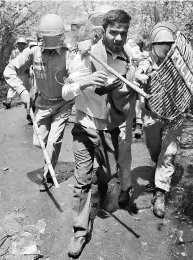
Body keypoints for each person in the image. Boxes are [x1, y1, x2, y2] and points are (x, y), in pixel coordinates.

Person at [62, 8, 148, 257]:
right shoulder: (85, 56)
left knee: (108, 173)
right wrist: (86, 82)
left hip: (109, 129)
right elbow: (66, 93)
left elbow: (136, 67)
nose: (119, 38)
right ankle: (79, 231)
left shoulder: (123, 60)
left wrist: (137, 74)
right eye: (114, 33)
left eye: (124, 33)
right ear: (103, 31)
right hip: (84, 127)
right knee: (81, 180)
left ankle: (102, 186)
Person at [4, 14, 74, 191]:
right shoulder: (32, 52)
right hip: (42, 104)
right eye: (46, 37)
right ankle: (48, 162)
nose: (49, 42)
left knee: (53, 142)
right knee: (39, 142)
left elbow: (80, 73)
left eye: (54, 37)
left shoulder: (69, 54)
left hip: (63, 104)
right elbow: (10, 70)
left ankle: (48, 174)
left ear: (61, 36)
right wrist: (22, 91)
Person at [135, 21, 184, 219]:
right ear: (153, 44)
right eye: (161, 43)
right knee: (155, 150)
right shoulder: (148, 58)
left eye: (169, 43)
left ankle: (160, 192)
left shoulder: (178, 59)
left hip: (174, 114)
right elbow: (142, 68)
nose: (166, 46)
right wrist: (141, 74)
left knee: (168, 153)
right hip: (152, 114)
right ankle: (159, 169)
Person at [3, 36, 30, 109]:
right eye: (19, 43)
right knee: (12, 86)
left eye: (22, 44)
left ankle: (27, 103)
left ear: (25, 45)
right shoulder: (13, 52)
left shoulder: (27, 52)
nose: (21, 45)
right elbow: (10, 62)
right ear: (17, 44)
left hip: (24, 73)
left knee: (26, 88)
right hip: (16, 72)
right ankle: (8, 101)